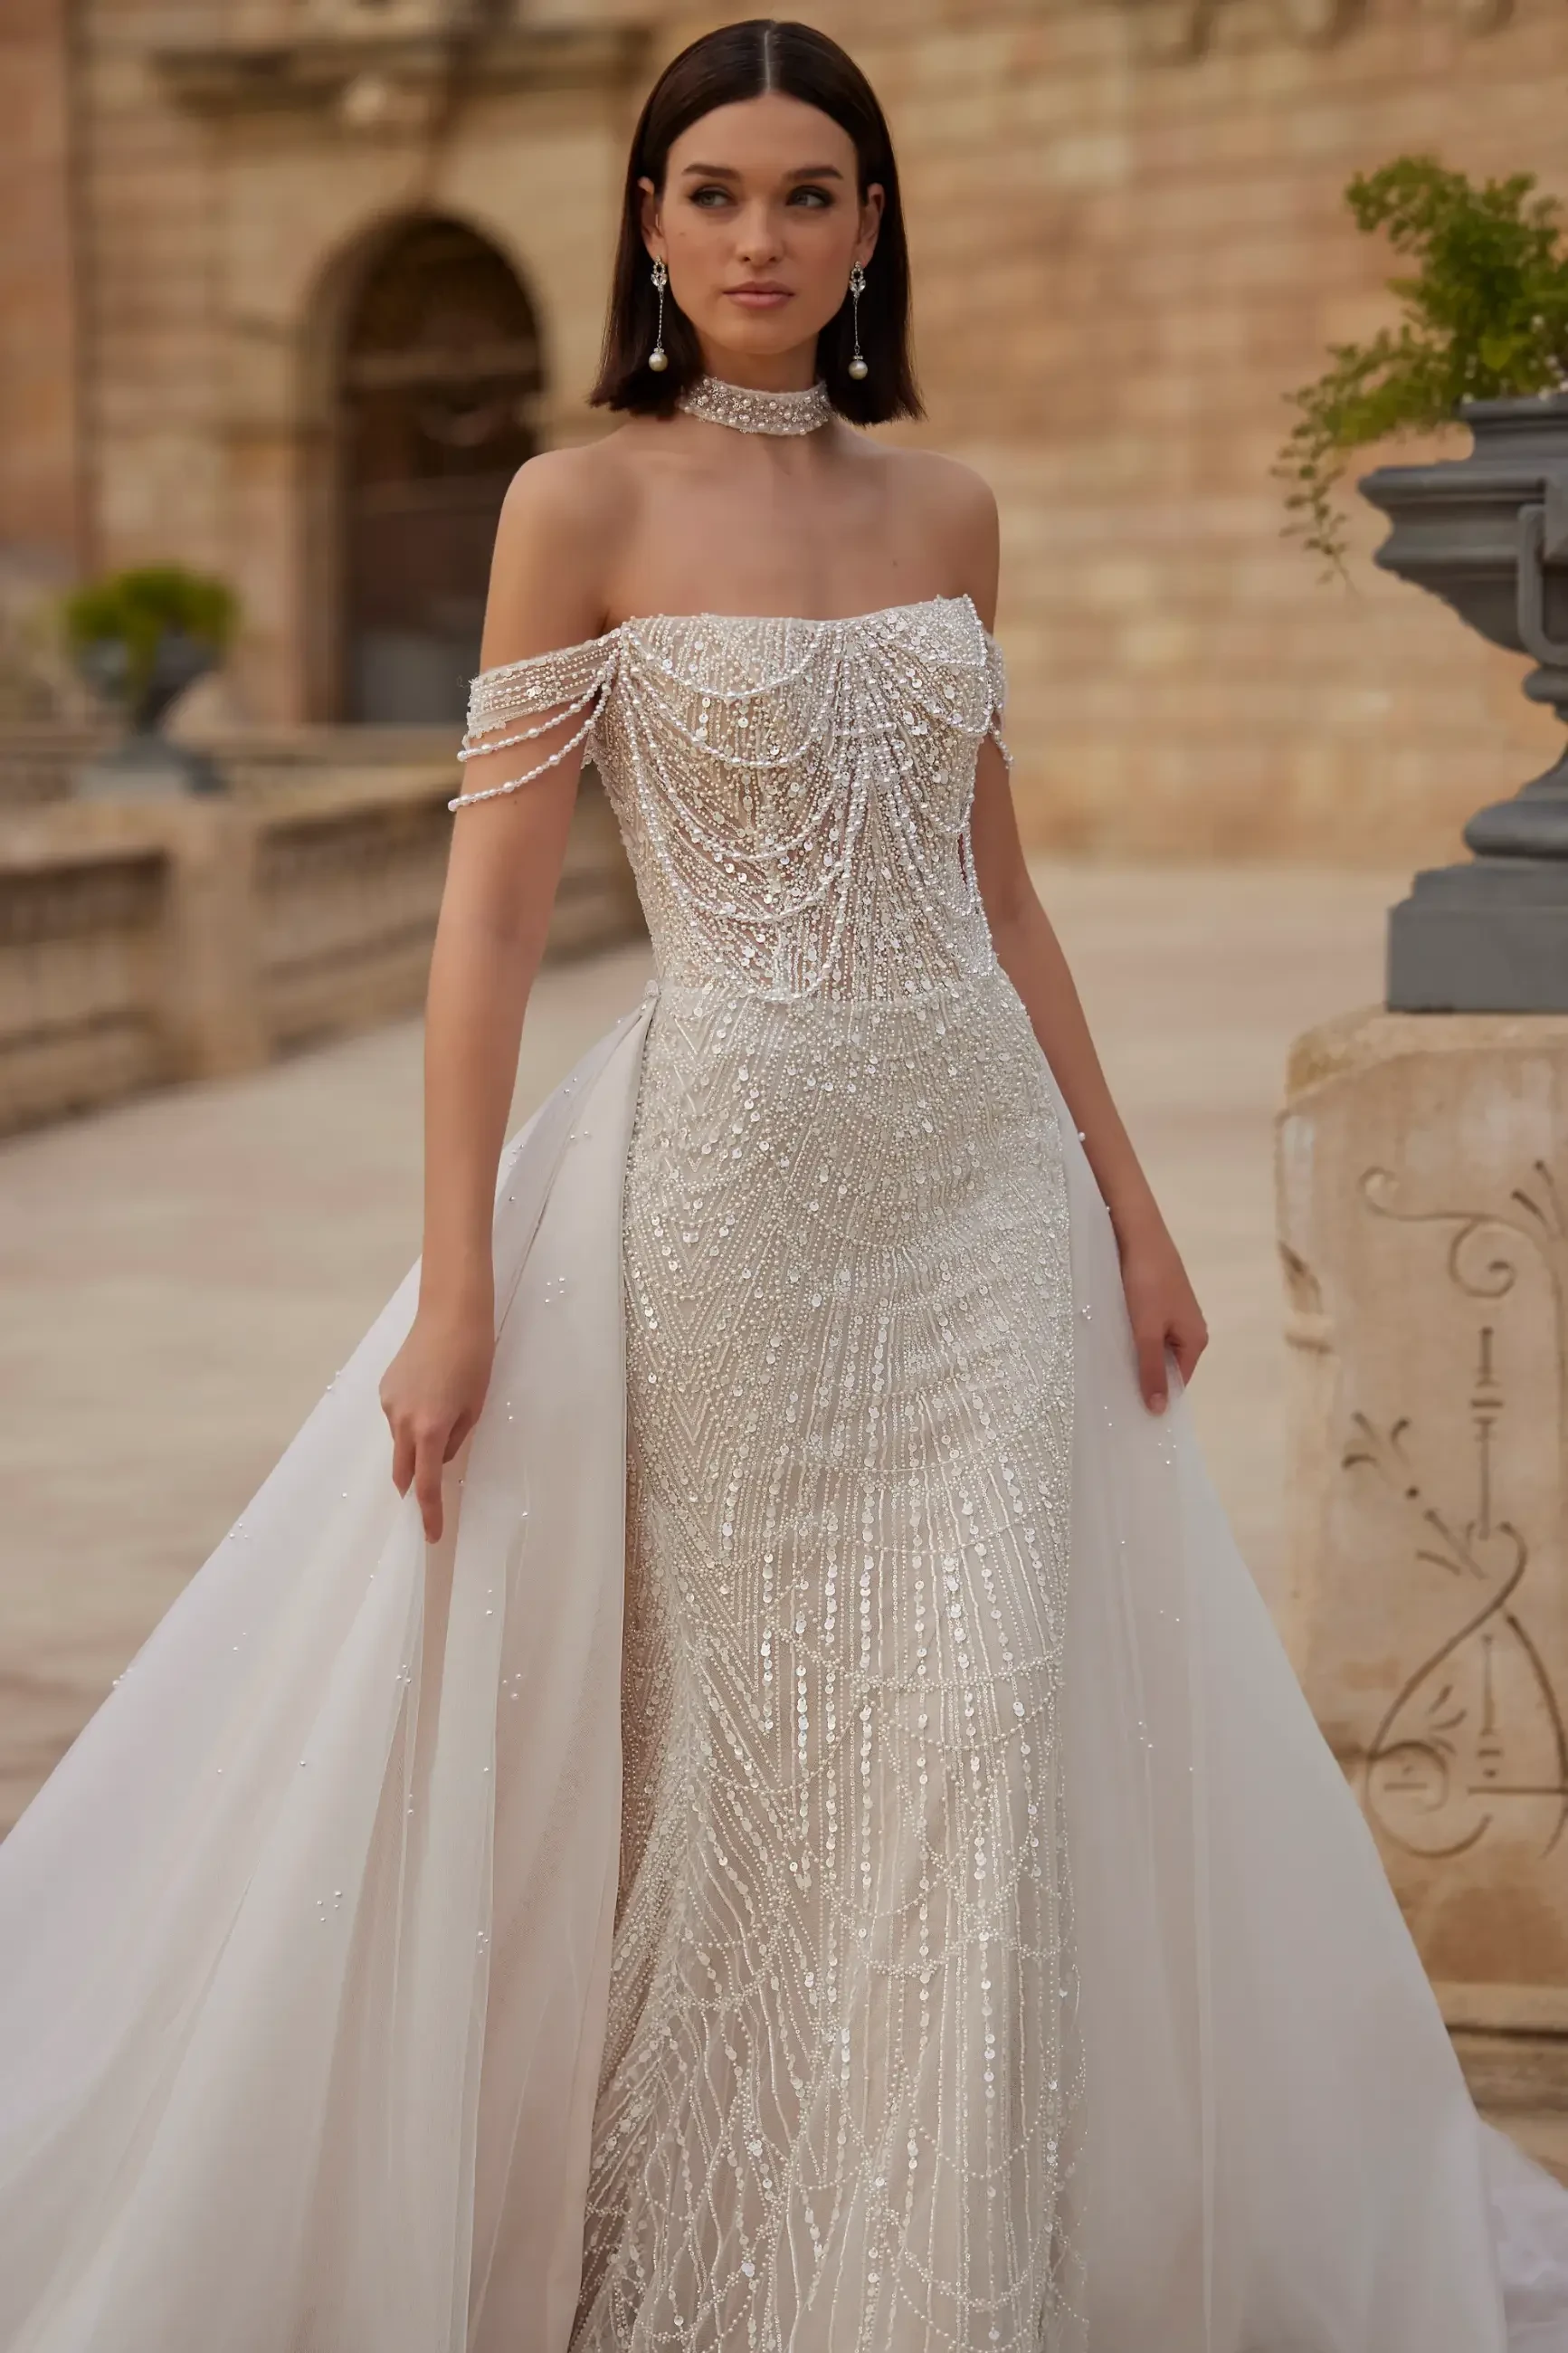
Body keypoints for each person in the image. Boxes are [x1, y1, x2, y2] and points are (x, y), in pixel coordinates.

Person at [3, 17, 1567, 2352]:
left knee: (978, 1736)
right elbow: (492, 928)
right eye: (716, 192)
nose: (763, 236)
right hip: (729, 1198)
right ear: (648, 224)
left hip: (983, 1201)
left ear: (870, 228)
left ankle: (940, 2285)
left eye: (811, 192)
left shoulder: (950, 516)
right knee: (756, 1750)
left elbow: (1000, 894)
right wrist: (455, 1292)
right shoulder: (576, 507)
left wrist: (1133, 1212)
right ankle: (715, 2276)